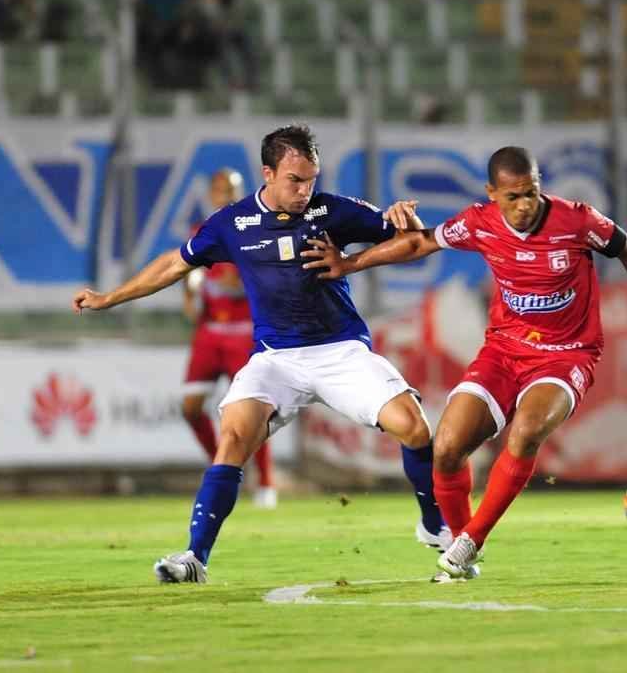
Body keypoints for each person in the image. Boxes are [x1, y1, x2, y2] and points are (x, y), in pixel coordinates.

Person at [72, 124, 449, 584]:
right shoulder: (232, 224)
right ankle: (195, 558)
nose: (305, 190)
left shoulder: (333, 210)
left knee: (414, 428)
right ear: (267, 173)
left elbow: (416, 239)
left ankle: (433, 524)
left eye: (311, 178)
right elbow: (175, 263)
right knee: (232, 435)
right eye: (295, 180)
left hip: (341, 351)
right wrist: (110, 297)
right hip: (277, 360)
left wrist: (379, 235)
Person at [304, 146, 627, 581]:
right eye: (513, 197)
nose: (525, 205)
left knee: (525, 432)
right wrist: (348, 264)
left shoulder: (577, 220)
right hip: (503, 352)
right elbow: (421, 241)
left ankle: (470, 542)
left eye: (532, 193)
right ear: (492, 194)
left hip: (566, 355)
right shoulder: (478, 223)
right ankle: (457, 539)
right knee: (448, 447)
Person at [181, 168, 276, 509]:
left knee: (252, 413)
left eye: (232, 190)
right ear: (211, 195)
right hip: (209, 333)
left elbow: (256, 280)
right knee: (191, 408)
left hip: (242, 333)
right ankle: (223, 464)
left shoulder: (253, 231)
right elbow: (187, 271)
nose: (226, 196)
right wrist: (189, 295)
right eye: (220, 190)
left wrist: (238, 284)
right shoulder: (202, 232)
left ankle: (266, 482)